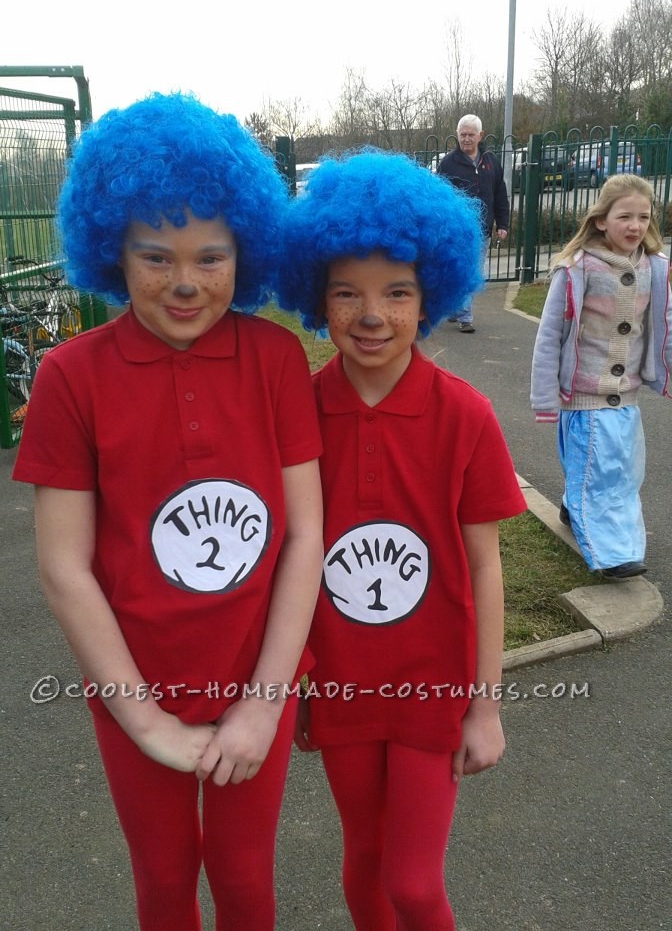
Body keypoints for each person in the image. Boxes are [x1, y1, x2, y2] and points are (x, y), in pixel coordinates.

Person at [12, 93, 324, 931]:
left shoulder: (276, 360)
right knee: (161, 880)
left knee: (246, 880)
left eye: (210, 257)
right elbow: (64, 568)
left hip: (258, 675)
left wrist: (263, 701)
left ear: (244, 251)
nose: (185, 282)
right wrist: (144, 719)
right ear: (111, 249)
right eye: (156, 256)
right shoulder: (70, 378)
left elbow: (304, 538)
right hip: (132, 685)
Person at [279, 150, 527, 931]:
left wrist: (485, 707)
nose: (372, 314)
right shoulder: (297, 412)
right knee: (363, 864)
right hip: (344, 685)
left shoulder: (466, 415)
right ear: (319, 300)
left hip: (433, 690)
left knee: (415, 885)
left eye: (397, 292)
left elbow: (485, 569)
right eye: (346, 293)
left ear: (430, 300)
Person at [531, 173, 671, 579]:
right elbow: (549, 335)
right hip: (585, 396)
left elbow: (666, 325)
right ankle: (612, 554)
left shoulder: (655, 268)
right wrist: (544, 397)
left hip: (626, 396)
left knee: (623, 472)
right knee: (601, 472)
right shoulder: (577, 269)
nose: (635, 226)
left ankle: (574, 507)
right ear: (600, 220)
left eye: (644, 217)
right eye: (625, 216)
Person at [437, 114, 509, 332]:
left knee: (473, 270)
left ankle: (461, 313)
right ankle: (460, 312)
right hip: (457, 229)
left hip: (482, 229)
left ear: (480, 136)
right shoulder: (448, 163)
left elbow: (500, 194)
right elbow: (440, 197)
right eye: (462, 135)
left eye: (470, 134)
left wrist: (503, 224)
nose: (466, 139)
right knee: (458, 270)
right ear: (457, 136)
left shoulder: (491, 161)